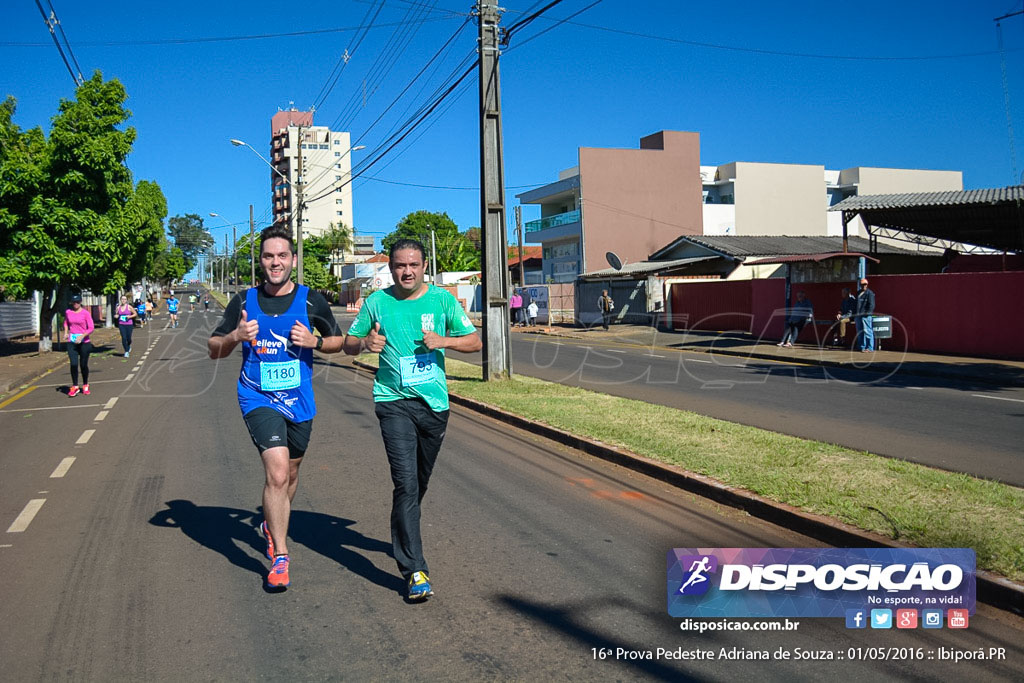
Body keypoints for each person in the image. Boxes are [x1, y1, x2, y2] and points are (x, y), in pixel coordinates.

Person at [208, 225, 346, 589]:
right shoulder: (243, 301)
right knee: (278, 473)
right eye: (268, 256)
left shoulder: (311, 299)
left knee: (292, 475)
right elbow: (213, 348)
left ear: (293, 260)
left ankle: (272, 521)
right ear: (261, 262)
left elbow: (338, 341)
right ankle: (280, 556)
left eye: (282, 256)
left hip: (299, 400)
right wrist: (236, 337)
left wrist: (314, 341)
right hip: (257, 396)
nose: (275, 262)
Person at [343, 238, 481, 601]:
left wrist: (444, 342)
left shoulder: (442, 301)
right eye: (400, 265)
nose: (406, 271)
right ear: (391, 268)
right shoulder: (377, 302)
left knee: (416, 486)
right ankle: (415, 569)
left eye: (413, 265)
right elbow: (348, 344)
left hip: (434, 406)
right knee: (405, 484)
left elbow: (474, 341)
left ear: (424, 267)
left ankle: (402, 535)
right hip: (393, 403)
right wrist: (364, 345)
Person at [63, 294, 94, 397]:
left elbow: (91, 328)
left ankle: (85, 384)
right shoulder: (68, 312)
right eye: (74, 302)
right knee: (73, 364)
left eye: (77, 302)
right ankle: (75, 386)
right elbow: (66, 323)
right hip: (72, 342)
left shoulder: (85, 313)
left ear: (80, 302)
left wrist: (82, 336)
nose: (75, 304)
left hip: (84, 342)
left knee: (83, 365)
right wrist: (66, 332)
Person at [854, 278, 876, 353]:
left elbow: (871, 305)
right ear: (860, 285)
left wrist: (867, 313)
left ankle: (870, 347)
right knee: (860, 332)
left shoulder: (870, 293)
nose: (864, 286)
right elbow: (855, 304)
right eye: (863, 284)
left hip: (866, 316)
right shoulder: (858, 293)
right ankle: (861, 347)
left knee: (868, 331)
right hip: (858, 315)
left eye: (865, 284)